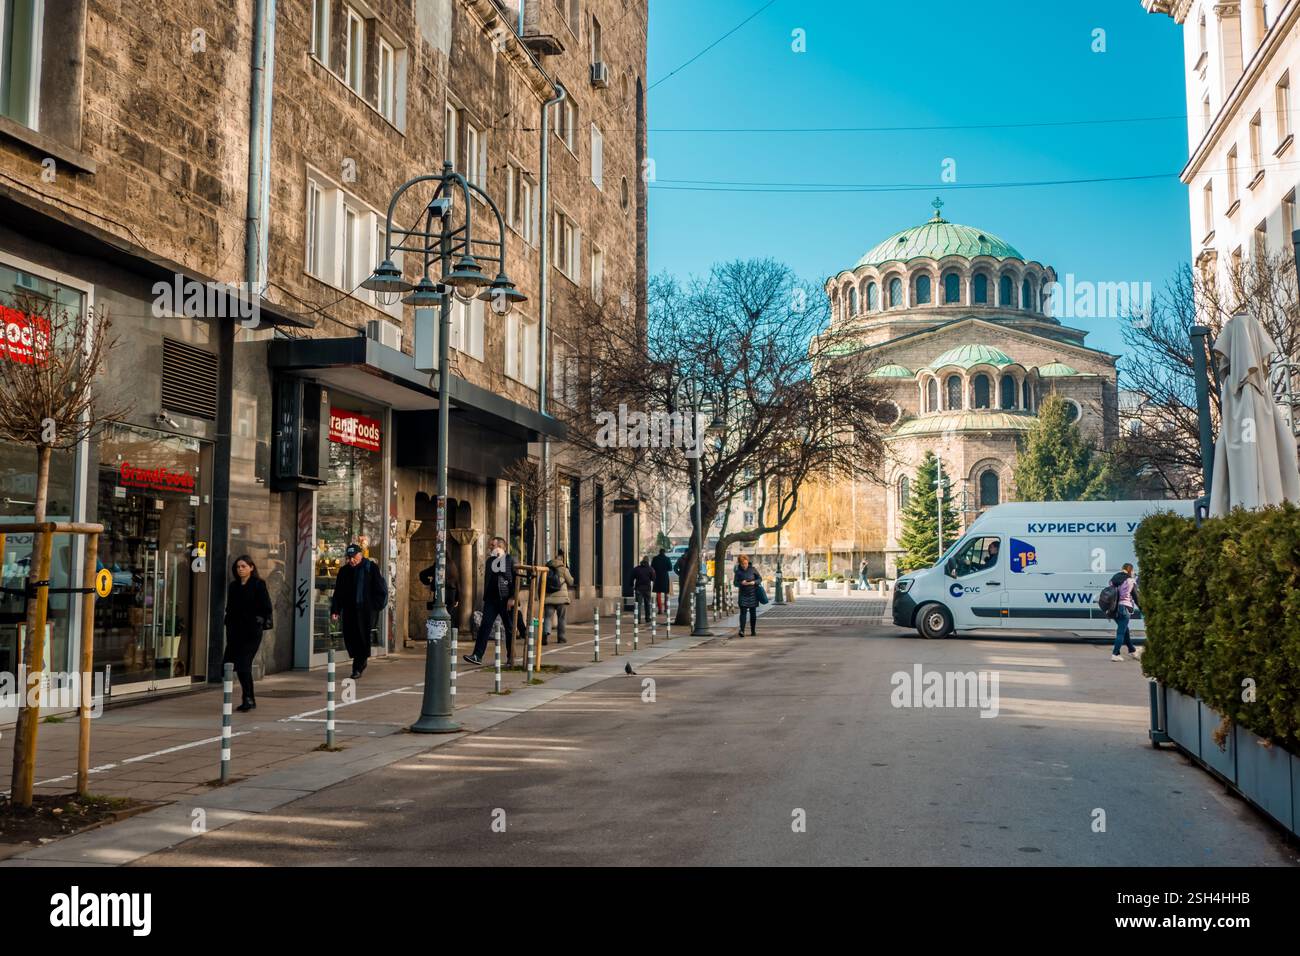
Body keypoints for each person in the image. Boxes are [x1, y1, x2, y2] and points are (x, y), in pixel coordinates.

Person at [329, 543, 388, 679]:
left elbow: (379, 589)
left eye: (354, 557)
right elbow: (338, 593)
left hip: (365, 610)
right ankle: (360, 660)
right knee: (350, 637)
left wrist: (374, 607)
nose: (351, 560)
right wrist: (335, 610)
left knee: (362, 637)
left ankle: (358, 667)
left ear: (360, 555)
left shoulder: (370, 568)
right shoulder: (344, 571)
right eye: (349, 558)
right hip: (349, 610)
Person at [223, 555, 273, 712]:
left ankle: (248, 698)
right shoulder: (233, 586)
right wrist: (228, 624)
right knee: (231, 665)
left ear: (251, 567)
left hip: (251, 632)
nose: (240, 569)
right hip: (235, 631)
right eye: (238, 567)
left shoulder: (258, 584)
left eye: (243, 566)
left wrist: (259, 621)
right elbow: (230, 608)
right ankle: (246, 697)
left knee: (244, 665)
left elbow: (266, 606)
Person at [465, 537, 516, 665]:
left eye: (492, 546)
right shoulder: (490, 561)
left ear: (501, 547)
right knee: (485, 626)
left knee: (509, 627)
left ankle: (511, 656)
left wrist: (512, 597)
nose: (490, 548)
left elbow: (514, 580)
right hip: (491, 599)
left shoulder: (510, 560)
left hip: (505, 599)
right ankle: (477, 655)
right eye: (490, 545)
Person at [1110, 562, 1140, 662]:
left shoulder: (1114, 578)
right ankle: (1115, 653)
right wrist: (1142, 608)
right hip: (1124, 608)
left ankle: (1132, 650)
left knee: (1125, 629)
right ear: (1130, 570)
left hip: (1113, 608)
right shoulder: (1130, 581)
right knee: (1121, 632)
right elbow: (1136, 597)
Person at [543, 548, 574, 645]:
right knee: (561, 618)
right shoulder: (563, 569)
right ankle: (561, 637)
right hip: (561, 599)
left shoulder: (546, 568)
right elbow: (571, 582)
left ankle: (545, 634)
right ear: (562, 559)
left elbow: (541, 583)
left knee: (548, 617)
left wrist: (541, 597)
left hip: (549, 598)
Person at [418, 556, 461, 622]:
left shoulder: (438, 565)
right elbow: (457, 583)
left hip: (440, 594)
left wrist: (428, 581)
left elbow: (422, 574)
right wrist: (457, 599)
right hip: (452, 595)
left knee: (439, 619)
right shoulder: (453, 566)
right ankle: (448, 632)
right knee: (448, 618)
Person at [734, 553, 762, 637]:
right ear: (740, 563)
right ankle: (742, 630)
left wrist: (754, 582)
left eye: (745, 563)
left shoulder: (753, 569)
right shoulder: (738, 572)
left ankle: (753, 630)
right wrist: (741, 583)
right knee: (743, 613)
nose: (744, 565)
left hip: (753, 594)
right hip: (743, 595)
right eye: (742, 564)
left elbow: (760, 579)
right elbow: (735, 583)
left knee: (753, 613)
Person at [629, 556, 655, 623]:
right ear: (648, 561)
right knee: (647, 604)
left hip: (638, 588)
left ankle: (638, 619)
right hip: (647, 589)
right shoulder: (650, 569)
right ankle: (647, 618)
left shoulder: (636, 569)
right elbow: (653, 579)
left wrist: (631, 585)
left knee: (638, 605)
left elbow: (631, 577)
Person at [651, 548, 673, 614]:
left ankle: (660, 609)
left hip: (657, 577)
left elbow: (652, 567)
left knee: (658, 593)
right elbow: (670, 568)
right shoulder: (667, 559)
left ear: (659, 552)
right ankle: (666, 608)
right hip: (665, 577)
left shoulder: (655, 559)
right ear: (664, 552)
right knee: (666, 593)